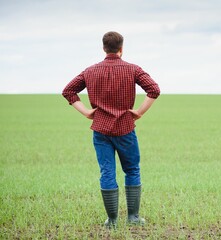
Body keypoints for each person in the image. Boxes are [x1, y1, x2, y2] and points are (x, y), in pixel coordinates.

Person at [62, 31, 160, 229]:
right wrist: (139, 112)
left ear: (104, 48)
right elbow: (154, 89)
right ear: (121, 49)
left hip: (101, 131)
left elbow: (68, 91)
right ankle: (133, 217)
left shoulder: (90, 71)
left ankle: (112, 221)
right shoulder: (133, 69)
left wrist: (87, 112)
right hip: (125, 129)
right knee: (132, 170)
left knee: (107, 171)